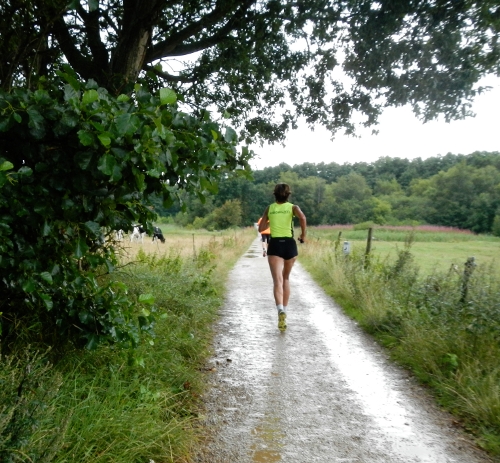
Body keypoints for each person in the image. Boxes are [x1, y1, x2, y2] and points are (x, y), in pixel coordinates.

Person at [258, 183, 307, 331]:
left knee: (277, 281)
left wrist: (269, 220)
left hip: (275, 245)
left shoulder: (270, 208)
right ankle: (285, 310)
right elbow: (303, 218)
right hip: (289, 244)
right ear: (288, 194)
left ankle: (280, 309)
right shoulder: (293, 207)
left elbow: (261, 229)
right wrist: (303, 235)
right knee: (286, 278)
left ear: (275, 194)